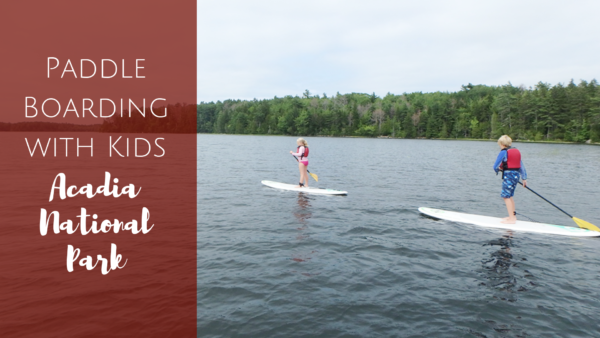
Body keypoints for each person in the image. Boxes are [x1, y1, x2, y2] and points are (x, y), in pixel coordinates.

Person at [493, 135, 527, 224]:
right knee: (510, 195)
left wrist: (498, 170)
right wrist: (524, 178)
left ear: (502, 144)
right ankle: (512, 216)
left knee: (505, 196)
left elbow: (495, 166)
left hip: (508, 176)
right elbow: (521, 166)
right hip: (516, 175)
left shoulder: (503, 152)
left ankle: (511, 219)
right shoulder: (516, 151)